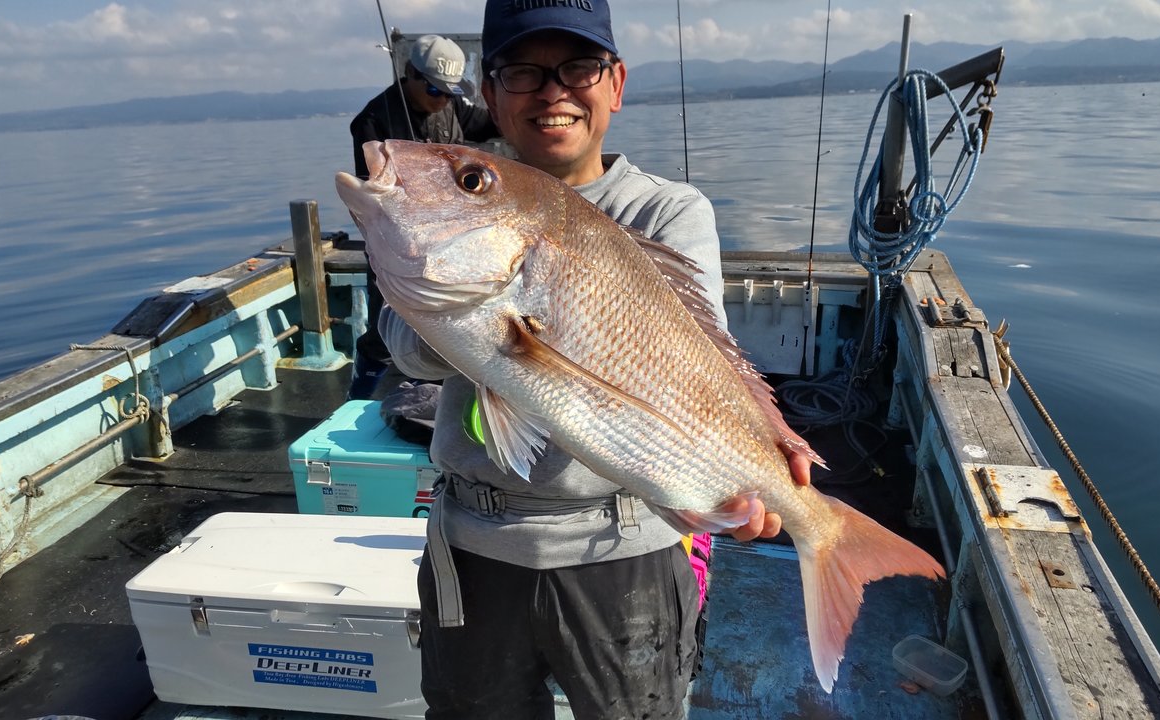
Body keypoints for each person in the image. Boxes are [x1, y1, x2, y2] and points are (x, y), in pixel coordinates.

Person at [376, 2, 813, 717]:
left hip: (625, 550)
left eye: (578, 67)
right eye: (522, 71)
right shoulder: (447, 219)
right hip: (473, 548)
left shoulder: (668, 212)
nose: (552, 91)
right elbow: (406, 351)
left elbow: (705, 361)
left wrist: (759, 464)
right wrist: (467, 304)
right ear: (490, 92)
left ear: (615, 84)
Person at [347, 34, 499, 399]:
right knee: (383, 331)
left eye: (450, 92)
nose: (443, 100)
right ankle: (358, 398)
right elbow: (372, 196)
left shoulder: (453, 109)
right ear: (410, 73)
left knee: (449, 328)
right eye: (435, 90)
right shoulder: (372, 120)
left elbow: (487, 125)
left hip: (448, 244)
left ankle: (429, 396)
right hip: (398, 245)